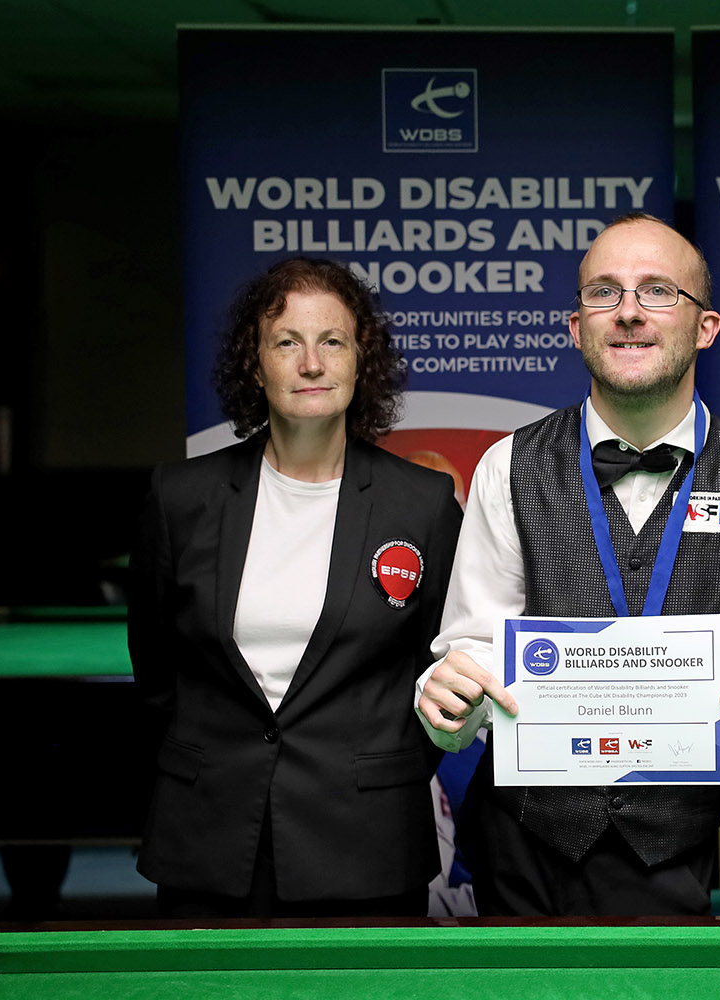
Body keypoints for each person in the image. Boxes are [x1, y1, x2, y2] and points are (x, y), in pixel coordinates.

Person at [416, 213, 720, 915]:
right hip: (521, 852)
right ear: (576, 326)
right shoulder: (506, 468)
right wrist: (444, 705)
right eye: (604, 293)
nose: (630, 312)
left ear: (706, 327)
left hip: (675, 856)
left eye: (658, 291)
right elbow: (467, 676)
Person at [129, 257, 462, 917]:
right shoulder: (180, 497)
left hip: (368, 841)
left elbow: (444, 662)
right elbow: (158, 673)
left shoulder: (422, 505)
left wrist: (376, 769)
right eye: (287, 342)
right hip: (210, 837)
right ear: (255, 364)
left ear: (360, 359)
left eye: (331, 341)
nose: (311, 363)